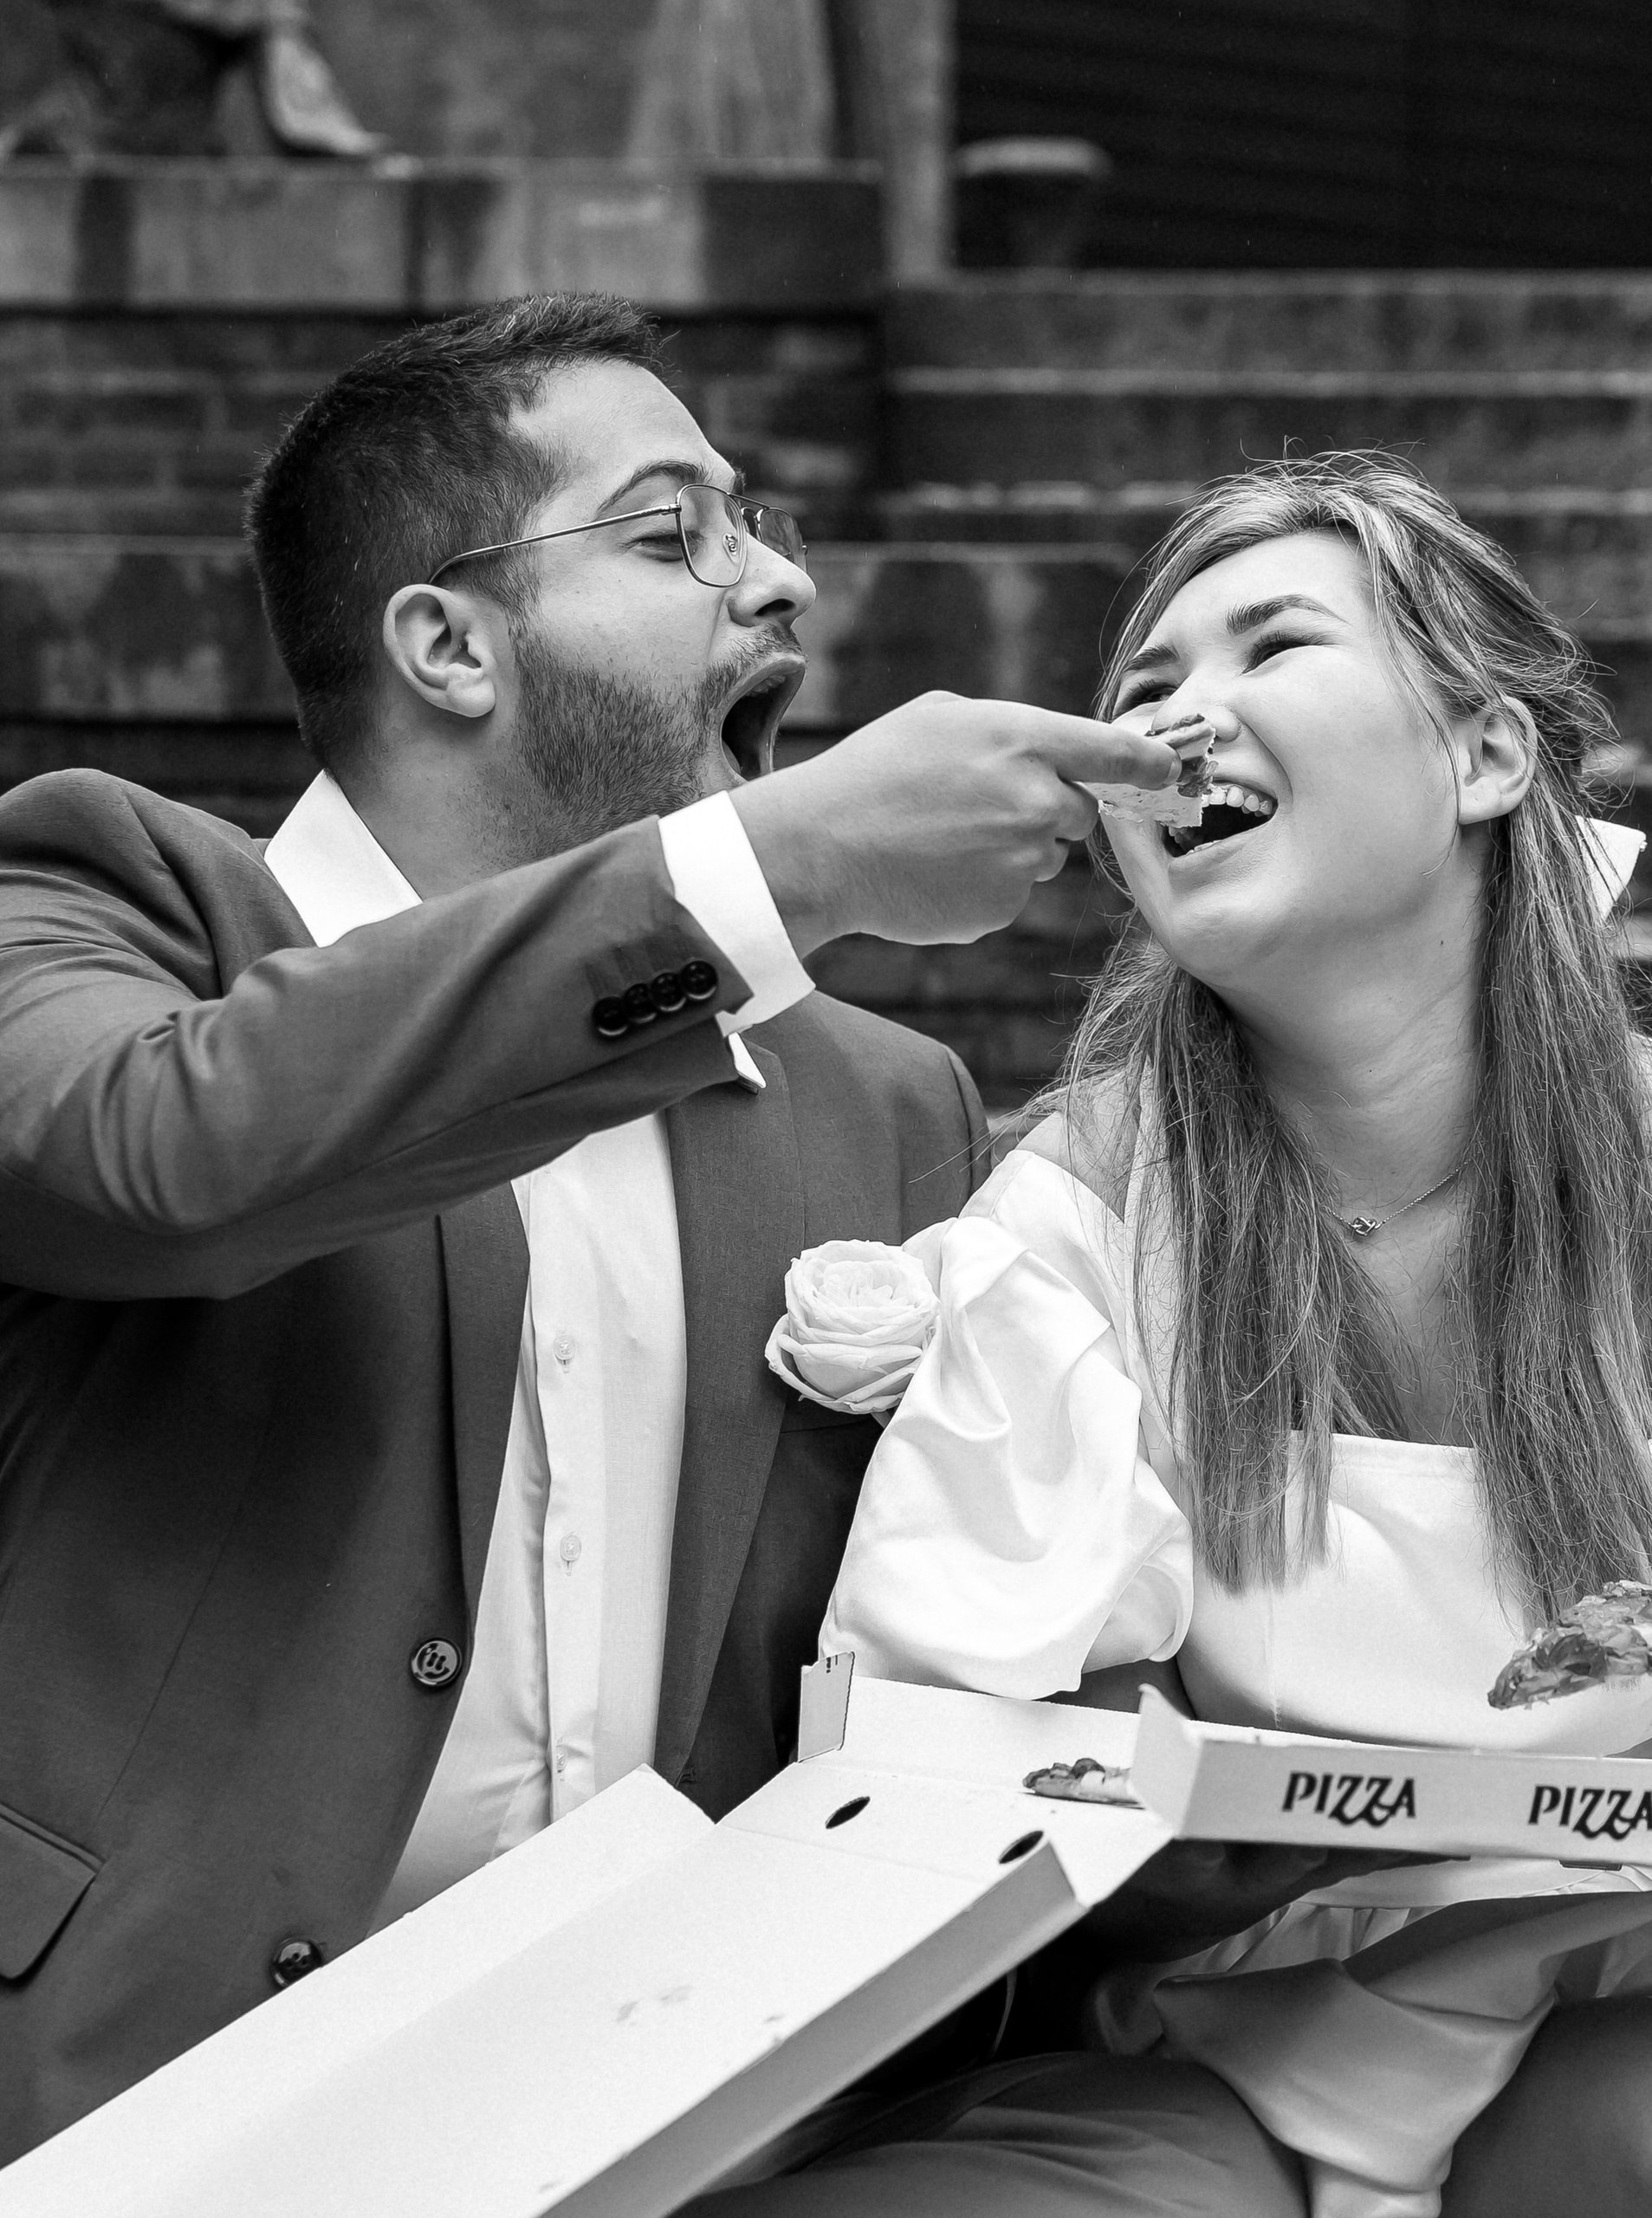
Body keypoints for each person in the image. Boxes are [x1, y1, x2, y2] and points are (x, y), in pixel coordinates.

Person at [0, 292, 1311, 2216]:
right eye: (672, 531)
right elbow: (152, 1157)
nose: (775, 580)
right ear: (449, 643)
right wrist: (789, 868)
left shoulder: (887, 1104)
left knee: (1193, 2167)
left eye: (758, 523)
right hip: (145, 2108)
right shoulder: (103, 903)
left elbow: (943, 1643)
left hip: (682, 2115)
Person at [821, 452, 1652, 2218]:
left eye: (1271, 647)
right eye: (1144, 686)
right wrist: (1149, 1780)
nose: (1176, 720)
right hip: (1261, 2028)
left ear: (1483, 754)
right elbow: (976, 1773)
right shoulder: (1088, 1203)